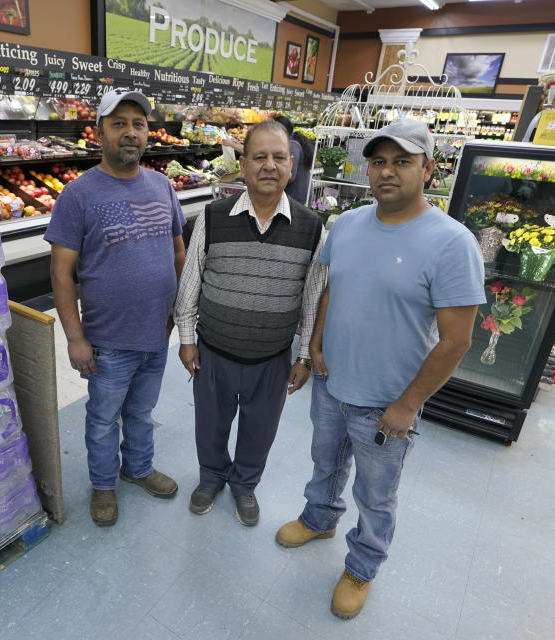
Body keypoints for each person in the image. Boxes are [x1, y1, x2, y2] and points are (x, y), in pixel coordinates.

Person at [275, 118, 485, 618]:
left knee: (376, 494)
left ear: (428, 169)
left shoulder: (453, 243)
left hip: (387, 401)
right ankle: (320, 517)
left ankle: (362, 565)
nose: (387, 172)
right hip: (331, 382)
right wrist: (315, 345)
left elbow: (457, 340)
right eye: (378, 161)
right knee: (324, 462)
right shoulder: (346, 224)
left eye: (402, 161)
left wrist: (409, 404)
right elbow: (332, 288)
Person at [44, 88, 187, 527]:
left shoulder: (162, 185)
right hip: (107, 341)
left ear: (148, 134)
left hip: (156, 333)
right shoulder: (78, 195)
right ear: (100, 132)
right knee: (103, 419)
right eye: (119, 123)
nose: (130, 132)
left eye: (139, 124)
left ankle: (138, 468)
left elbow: (178, 255)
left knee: (141, 413)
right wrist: (74, 338)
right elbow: (61, 274)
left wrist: (178, 319)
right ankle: (104, 484)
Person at [174, 120, 326, 527]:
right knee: (210, 424)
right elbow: (192, 280)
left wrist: (304, 357)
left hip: (273, 358)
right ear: (242, 164)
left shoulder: (311, 227)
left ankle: (244, 485)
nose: (269, 166)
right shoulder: (213, 215)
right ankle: (211, 478)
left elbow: (312, 298)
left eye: (279, 157)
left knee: (260, 430)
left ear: (292, 166)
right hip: (213, 351)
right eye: (259, 157)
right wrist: (187, 339)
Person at [273, 115, 314, 204]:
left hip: (297, 197)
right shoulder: (293, 141)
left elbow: (291, 175)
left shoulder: (292, 145)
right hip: (299, 196)